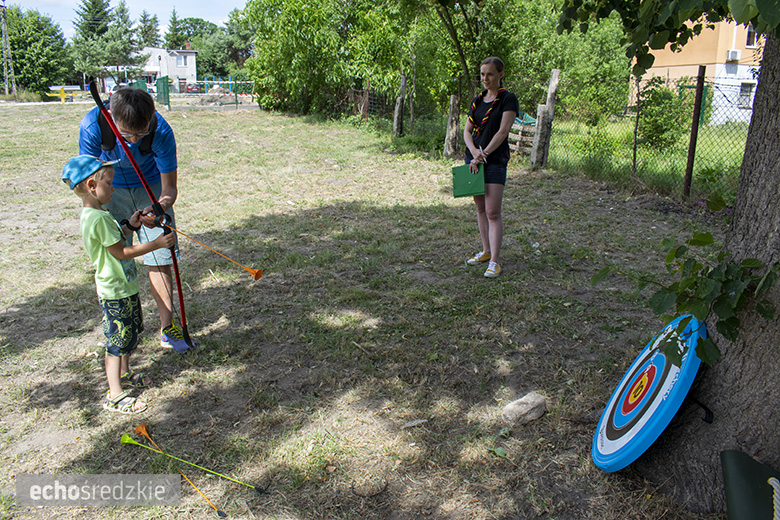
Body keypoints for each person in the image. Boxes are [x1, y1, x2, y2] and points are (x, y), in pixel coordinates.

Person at [78, 87, 191, 352]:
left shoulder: (160, 131)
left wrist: (159, 208)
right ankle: (121, 326)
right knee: (117, 260)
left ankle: (167, 329)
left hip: (149, 189)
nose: (133, 140)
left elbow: (169, 190)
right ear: (114, 119)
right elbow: (87, 180)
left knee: (160, 257)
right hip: (109, 191)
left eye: (140, 134)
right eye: (127, 134)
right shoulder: (93, 126)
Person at [62, 155, 176, 414]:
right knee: (116, 342)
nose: (114, 188)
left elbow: (115, 240)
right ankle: (115, 395)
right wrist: (156, 244)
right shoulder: (98, 218)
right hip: (115, 292)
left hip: (124, 287)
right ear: (92, 186)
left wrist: (129, 226)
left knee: (129, 335)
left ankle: (125, 374)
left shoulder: (99, 214)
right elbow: (120, 253)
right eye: (109, 184)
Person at [463, 57, 519, 278]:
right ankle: (485, 251)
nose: (485, 78)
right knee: (480, 208)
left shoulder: (508, 99)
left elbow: (502, 132)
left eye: (490, 74)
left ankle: (495, 261)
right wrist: (474, 153)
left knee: (493, 211)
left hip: (493, 161)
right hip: (474, 161)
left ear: (500, 74)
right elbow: (467, 131)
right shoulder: (478, 100)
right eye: (482, 74)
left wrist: (483, 154)